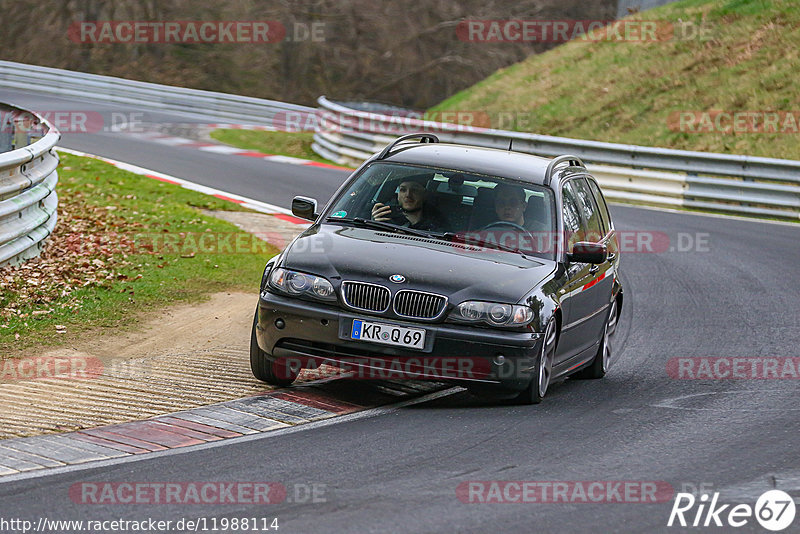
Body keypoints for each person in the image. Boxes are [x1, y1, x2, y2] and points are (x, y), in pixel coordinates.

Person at [371, 176, 443, 231]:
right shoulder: (387, 217)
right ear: (398, 195)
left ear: (424, 194)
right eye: (403, 190)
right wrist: (374, 224)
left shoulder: (436, 224)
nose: (408, 195)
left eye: (414, 190)